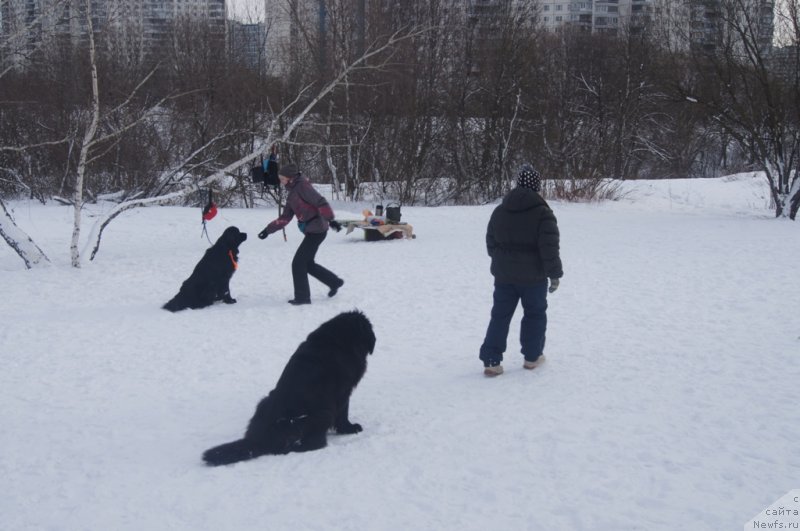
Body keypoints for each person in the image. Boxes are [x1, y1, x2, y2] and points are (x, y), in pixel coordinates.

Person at [479, 164, 563, 376]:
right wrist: (554, 274)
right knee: (534, 315)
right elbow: (549, 248)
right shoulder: (543, 213)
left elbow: (491, 241)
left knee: (499, 316)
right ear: (537, 185)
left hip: (504, 276)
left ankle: (491, 361)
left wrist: (502, 260)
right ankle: (532, 357)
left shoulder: (500, 210)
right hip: (533, 277)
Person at [257, 163, 344, 305]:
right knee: (307, 264)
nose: (281, 181)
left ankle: (303, 297)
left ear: (290, 178)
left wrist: (331, 220)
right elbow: (285, 217)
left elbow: (320, 201)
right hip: (311, 230)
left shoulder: (303, 186)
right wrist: (268, 230)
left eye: (282, 178)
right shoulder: (292, 193)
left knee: (298, 264)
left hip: (317, 229)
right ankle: (334, 282)